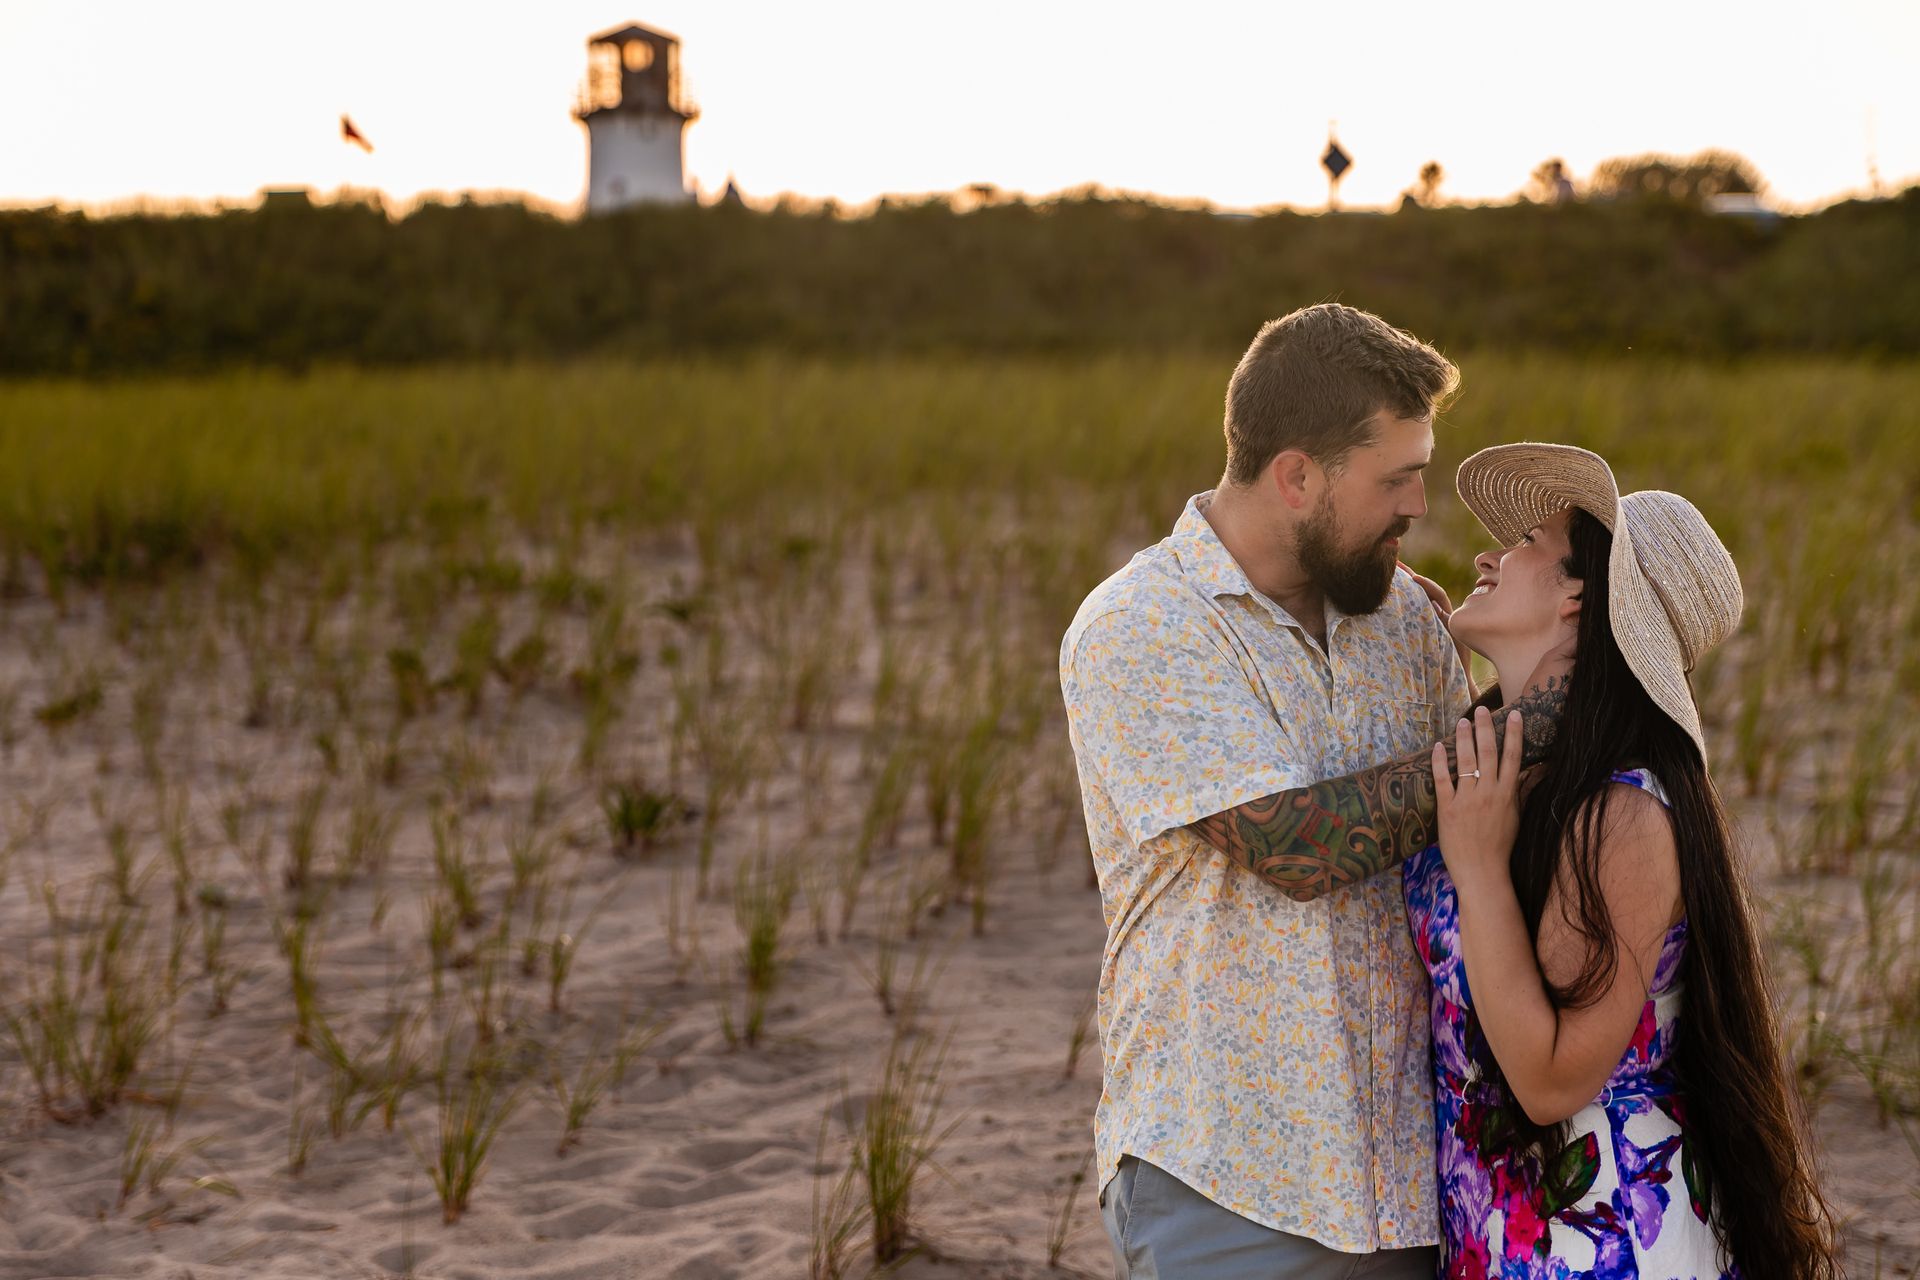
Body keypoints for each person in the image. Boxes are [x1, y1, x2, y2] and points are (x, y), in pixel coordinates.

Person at [1059, 303, 1570, 1277]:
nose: (1419, 503)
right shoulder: (1140, 627)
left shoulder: (1408, 623)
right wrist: (1548, 725)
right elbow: (1300, 846)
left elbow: (1469, 842)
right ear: (1297, 475)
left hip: (1417, 1166)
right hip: (1232, 1178)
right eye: (1395, 477)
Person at [1408, 443, 1837, 1278]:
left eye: (1528, 541)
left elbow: (1551, 1082)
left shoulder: (1626, 815)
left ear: (1579, 596)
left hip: (1602, 1247)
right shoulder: (1524, 775)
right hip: (1499, 1231)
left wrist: (1482, 869)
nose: (1488, 555)